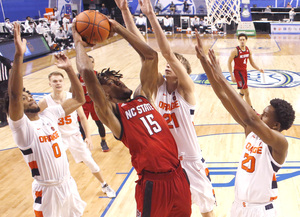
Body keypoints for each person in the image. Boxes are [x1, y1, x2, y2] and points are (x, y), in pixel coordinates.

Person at [73, 16, 192, 216]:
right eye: (110, 83)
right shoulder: (112, 114)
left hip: (179, 176)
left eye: (116, 78)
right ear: (105, 95)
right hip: (153, 185)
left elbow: (151, 56)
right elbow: (85, 71)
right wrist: (77, 41)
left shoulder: (143, 96)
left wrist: (118, 28)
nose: (117, 82)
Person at [195, 30, 295, 217]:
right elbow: (222, 95)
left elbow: (250, 118)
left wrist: (223, 78)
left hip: (262, 210)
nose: (259, 115)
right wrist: (204, 61)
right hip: (239, 206)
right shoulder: (253, 131)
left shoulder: (280, 143)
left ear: (275, 125)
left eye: (264, 115)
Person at [139, 0, 216, 216]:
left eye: (176, 64)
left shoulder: (186, 91)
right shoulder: (159, 86)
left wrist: (152, 17)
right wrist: (126, 11)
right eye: (169, 65)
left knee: (206, 209)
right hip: (168, 162)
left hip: (191, 159)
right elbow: (144, 51)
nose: (169, 65)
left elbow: (168, 54)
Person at [5, 23, 86, 216]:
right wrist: (18, 56)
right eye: (25, 99)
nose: (29, 97)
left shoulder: (48, 115)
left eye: (30, 95)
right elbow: (14, 95)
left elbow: (79, 99)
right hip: (48, 191)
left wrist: (68, 69)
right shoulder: (22, 129)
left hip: (68, 184)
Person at [38, 67, 116, 197]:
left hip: (74, 135)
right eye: (54, 81)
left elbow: (83, 117)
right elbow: (35, 119)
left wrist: (88, 137)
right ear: (50, 84)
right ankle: (65, 192)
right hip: (58, 138)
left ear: (63, 83)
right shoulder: (44, 102)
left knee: (90, 162)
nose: (57, 83)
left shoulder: (72, 98)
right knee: (60, 166)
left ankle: (105, 185)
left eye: (60, 81)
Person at [77, 55, 110, 152]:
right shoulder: (78, 76)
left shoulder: (98, 75)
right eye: (88, 61)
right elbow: (73, 90)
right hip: (83, 103)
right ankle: (84, 144)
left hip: (94, 102)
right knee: (81, 125)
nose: (90, 64)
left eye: (92, 62)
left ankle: (103, 141)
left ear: (94, 63)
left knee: (99, 123)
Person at [228, 33, 264, 108]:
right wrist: (231, 75)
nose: (242, 41)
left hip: (244, 72)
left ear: (246, 40)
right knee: (246, 93)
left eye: (243, 39)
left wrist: (258, 69)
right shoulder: (235, 51)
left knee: (242, 92)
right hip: (238, 73)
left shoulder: (248, 50)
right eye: (240, 40)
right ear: (238, 40)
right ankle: (251, 110)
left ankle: (236, 106)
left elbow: (252, 62)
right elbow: (229, 62)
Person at [0, 55, 11, 128]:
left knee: (4, 101)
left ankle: (4, 120)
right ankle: (3, 120)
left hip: (4, 82)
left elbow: (10, 67)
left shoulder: (4, 60)